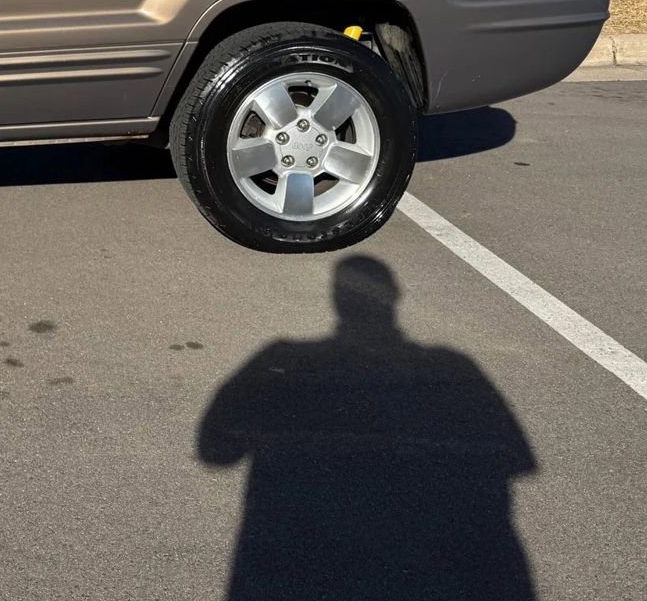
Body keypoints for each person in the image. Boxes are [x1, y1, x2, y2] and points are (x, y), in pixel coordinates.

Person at [198, 255, 536, 600]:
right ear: (395, 297)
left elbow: (215, 450)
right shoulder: (451, 370)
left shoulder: (281, 361)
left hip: (295, 561)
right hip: (420, 565)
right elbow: (517, 459)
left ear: (336, 302)